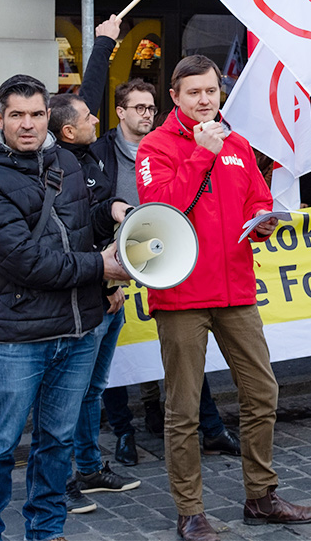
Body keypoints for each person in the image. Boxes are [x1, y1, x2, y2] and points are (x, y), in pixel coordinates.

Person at [137, 55, 311, 541]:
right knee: (183, 411)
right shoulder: (155, 147)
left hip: (236, 289)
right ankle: (190, 511)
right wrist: (201, 154)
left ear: (221, 93)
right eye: (193, 92)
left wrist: (264, 220)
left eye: (211, 92)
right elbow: (163, 211)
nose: (203, 101)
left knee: (263, 393)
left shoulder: (237, 143)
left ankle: (260, 495)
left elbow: (256, 199)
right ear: (174, 96)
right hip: (182, 295)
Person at [0, 74, 128, 541]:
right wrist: (100, 268)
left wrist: (111, 211)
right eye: (17, 115)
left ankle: (46, 533)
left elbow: (77, 229)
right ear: (0, 119)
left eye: (36, 114)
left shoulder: (65, 161)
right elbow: (25, 261)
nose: (29, 124)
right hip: (16, 334)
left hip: (77, 331)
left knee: (56, 444)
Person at [94, 78, 241, 465]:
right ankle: (125, 430)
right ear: (120, 111)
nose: (146, 114)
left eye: (150, 107)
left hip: (171, 260)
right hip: (122, 260)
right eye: (138, 107)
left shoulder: (172, 144)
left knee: (182, 362)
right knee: (122, 353)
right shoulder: (102, 153)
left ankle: (209, 427)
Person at [47, 92, 141, 514]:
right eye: (88, 116)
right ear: (68, 130)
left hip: (106, 287)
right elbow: (75, 236)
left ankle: (87, 467)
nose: (95, 119)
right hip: (87, 293)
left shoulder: (86, 157)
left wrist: (116, 209)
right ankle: (59, 481)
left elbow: (97, 216)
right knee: (67, 393)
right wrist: (105, 284)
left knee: (93, 388)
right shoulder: (58, 170)